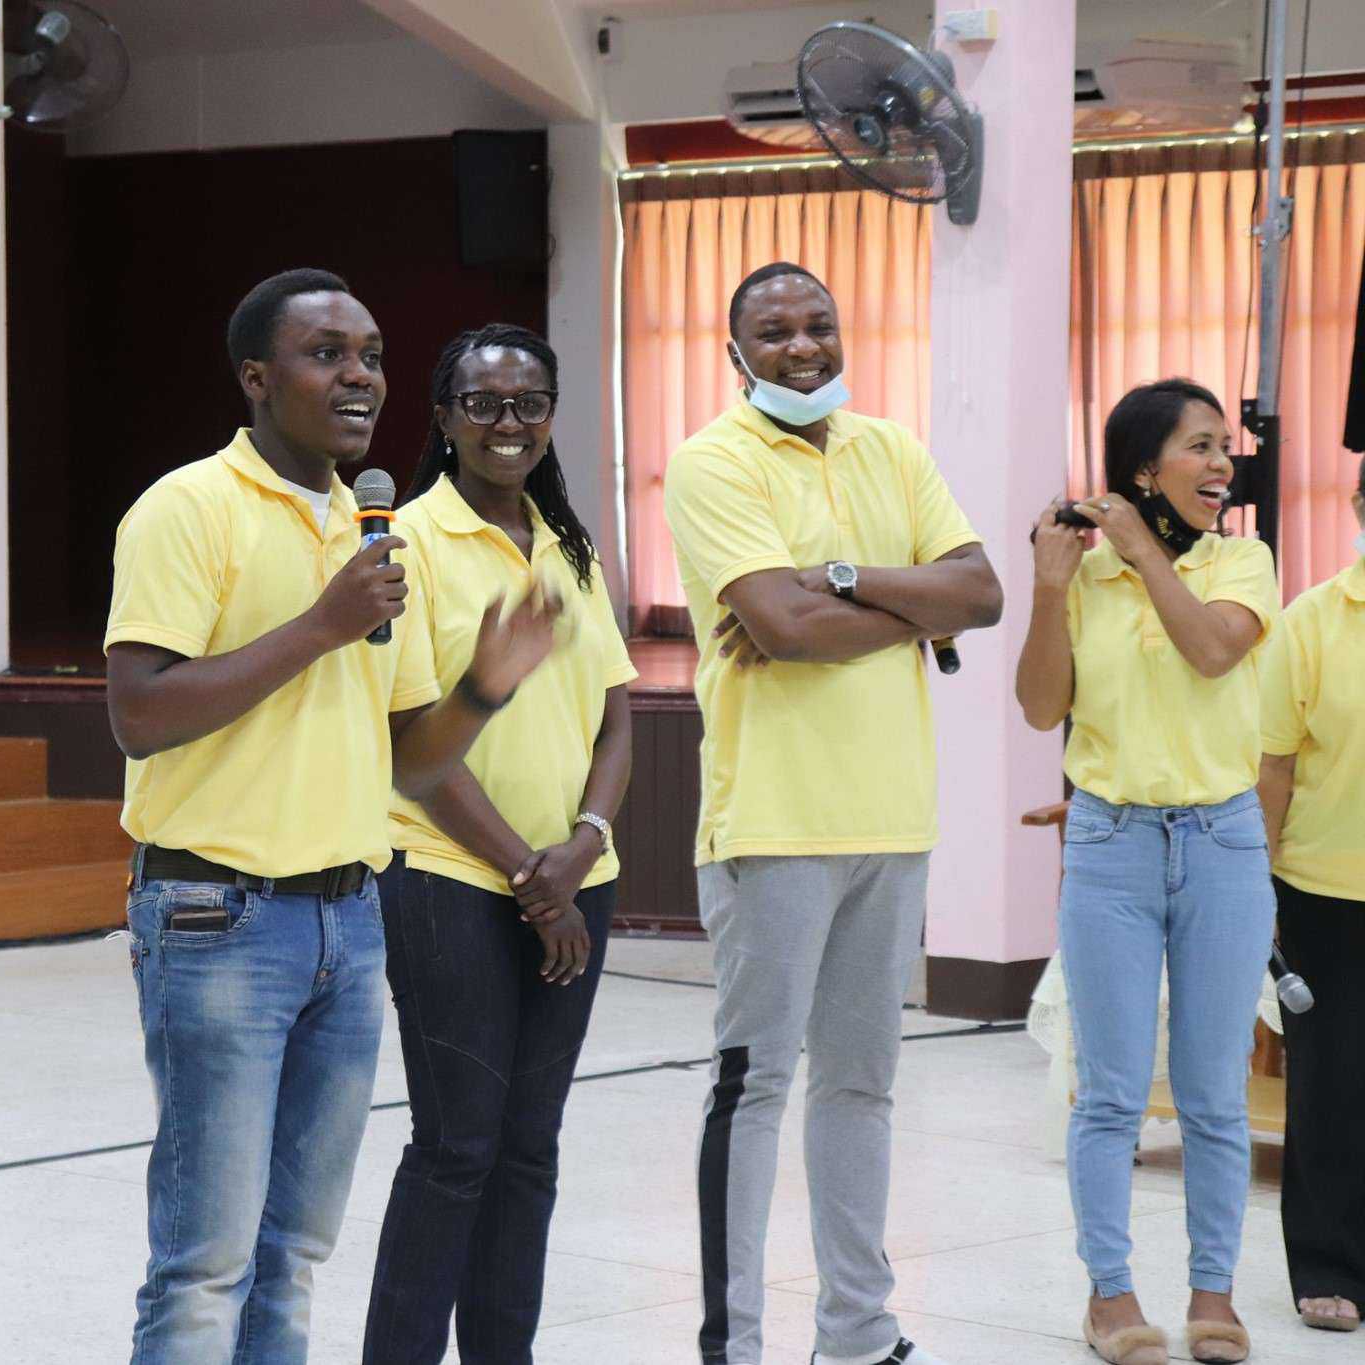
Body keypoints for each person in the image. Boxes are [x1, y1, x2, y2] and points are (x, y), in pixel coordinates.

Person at [105, 269, 562, 1365]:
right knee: (206, 1264)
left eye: (371, 356)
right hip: (216, 917)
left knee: (293, 1252)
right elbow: (138, 715)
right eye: (326, 354)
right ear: (256, 378)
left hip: (351, 926)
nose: (359, 375)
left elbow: (412, 760)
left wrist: (483, 688)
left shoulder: (373, 531)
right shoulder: (187, 509)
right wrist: (320, 624)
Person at [665, 262, 1002, 1365]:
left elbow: (983, 593)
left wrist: (843, 576)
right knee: (755, 1086)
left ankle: (856, 1334)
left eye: (818, 325)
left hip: (891, 820)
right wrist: (910, 604)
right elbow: (782, 629)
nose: (802, 347)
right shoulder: (712, 462)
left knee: (861, 1085)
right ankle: (733, 1345)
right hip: (770, 824)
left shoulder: (890, 449)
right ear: (735, 353)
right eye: (774, 332)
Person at [359, 324, 635, 1364]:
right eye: (481, 403)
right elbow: (411, 748)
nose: (506, 421)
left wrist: (582, 846)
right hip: (446, 880)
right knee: (457, 1147)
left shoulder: (568, 545)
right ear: (443, 419)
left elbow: (616, 718)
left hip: (576, 882)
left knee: (528, 1149)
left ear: (551, 416)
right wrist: (530, 875)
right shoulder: (408, 544)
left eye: (528, 402)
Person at [1014, 379, 1280, 1365]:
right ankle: (1109, 1296)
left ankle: (1213, 1293)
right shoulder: (1085, 581)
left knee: (1212, 1093)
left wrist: (1138, 552)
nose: (1221, 464)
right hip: (1109, 843)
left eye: (1223, 446)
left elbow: (1212, 652)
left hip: (1222, 842)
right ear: (1141, 469)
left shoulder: (1243, 562)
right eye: (1199, 446)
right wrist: (1050, 587)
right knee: (1111, 1093)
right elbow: (1040, 708)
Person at [1257, 452, 1365, 1337]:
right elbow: (1274, 767)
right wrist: (1257, 887)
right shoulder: (1313, 621)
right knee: (1331, 1084)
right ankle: (1329, 1262)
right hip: (1328, 889)